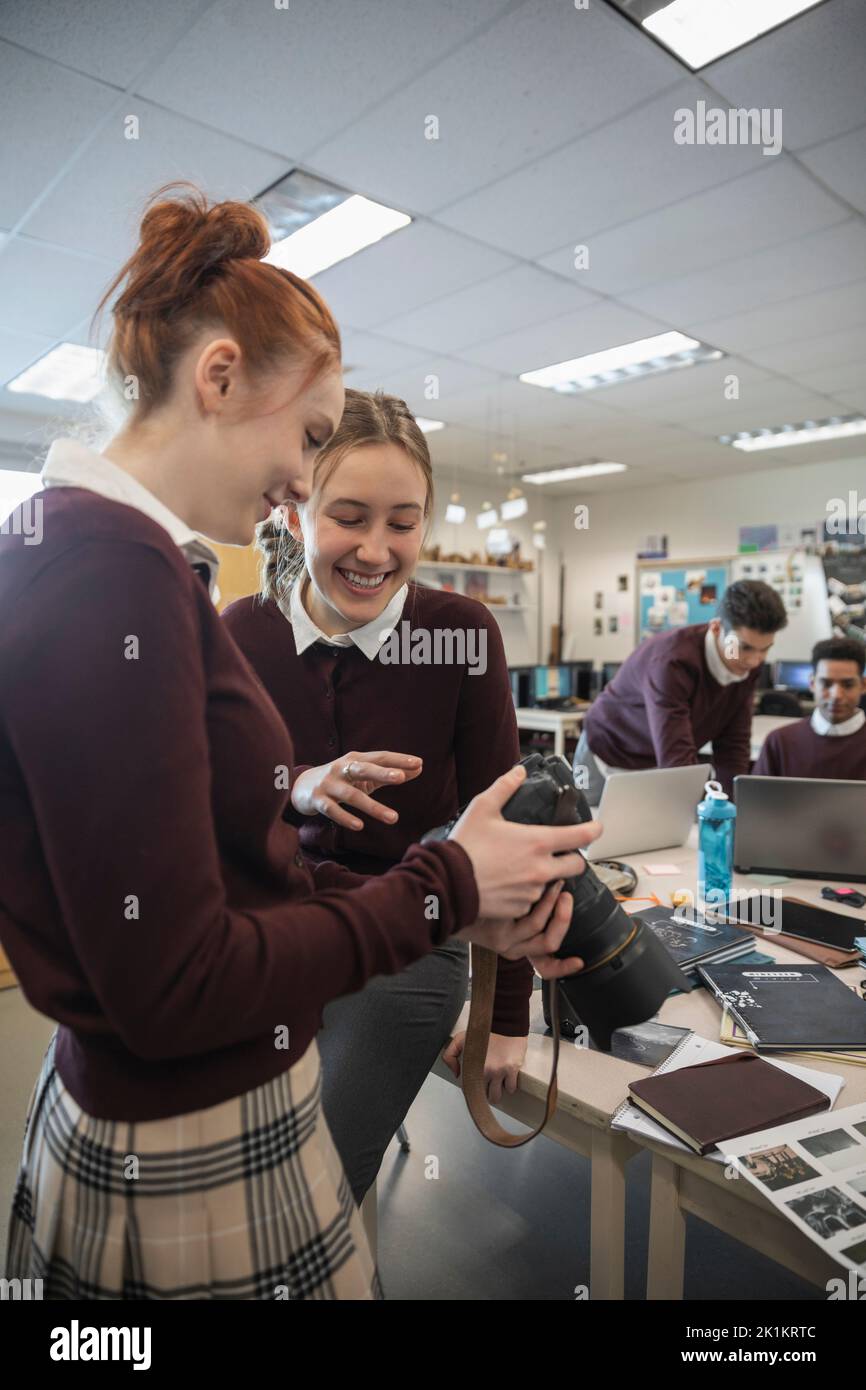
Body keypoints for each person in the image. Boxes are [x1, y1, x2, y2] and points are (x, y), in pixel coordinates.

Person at [0, 186, 599, 1301]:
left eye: (400, 518)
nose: (298, 488)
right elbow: (175, 976)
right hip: (189, 1110)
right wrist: (445, 885)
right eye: (312, 444)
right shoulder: (111, 573)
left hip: (197, 1069)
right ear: (220, 378)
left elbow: (201, 875)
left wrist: (437, 896)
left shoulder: (105, 559)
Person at [222, 389, 531, 1203]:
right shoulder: (239, 632)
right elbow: (208, 811)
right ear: (294, 516)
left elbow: (508, 832)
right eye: (349, 517)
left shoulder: (464, 631)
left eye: (403, 521)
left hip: (416, 936)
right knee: (228, 1172)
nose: (376, 549)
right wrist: (296, 789)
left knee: (308, 1193)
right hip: (269, 925)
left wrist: (507, 1015)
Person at [575, 580, 787, 801]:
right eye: (744, 647)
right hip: (605, 752)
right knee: (585, 829)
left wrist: (731, 806)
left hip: (654, 763)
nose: (754, 660)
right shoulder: (672, 661)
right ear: (716, 628)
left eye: (765, 650)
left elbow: (733, 743)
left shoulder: (745, 664)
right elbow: (676, 756)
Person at [752, 637, 866, 779]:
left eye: (848, 685)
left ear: (863, 685)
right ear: (812, 683)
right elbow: (758, 800)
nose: (836, 695)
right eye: (826, 684)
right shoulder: (780, 742)